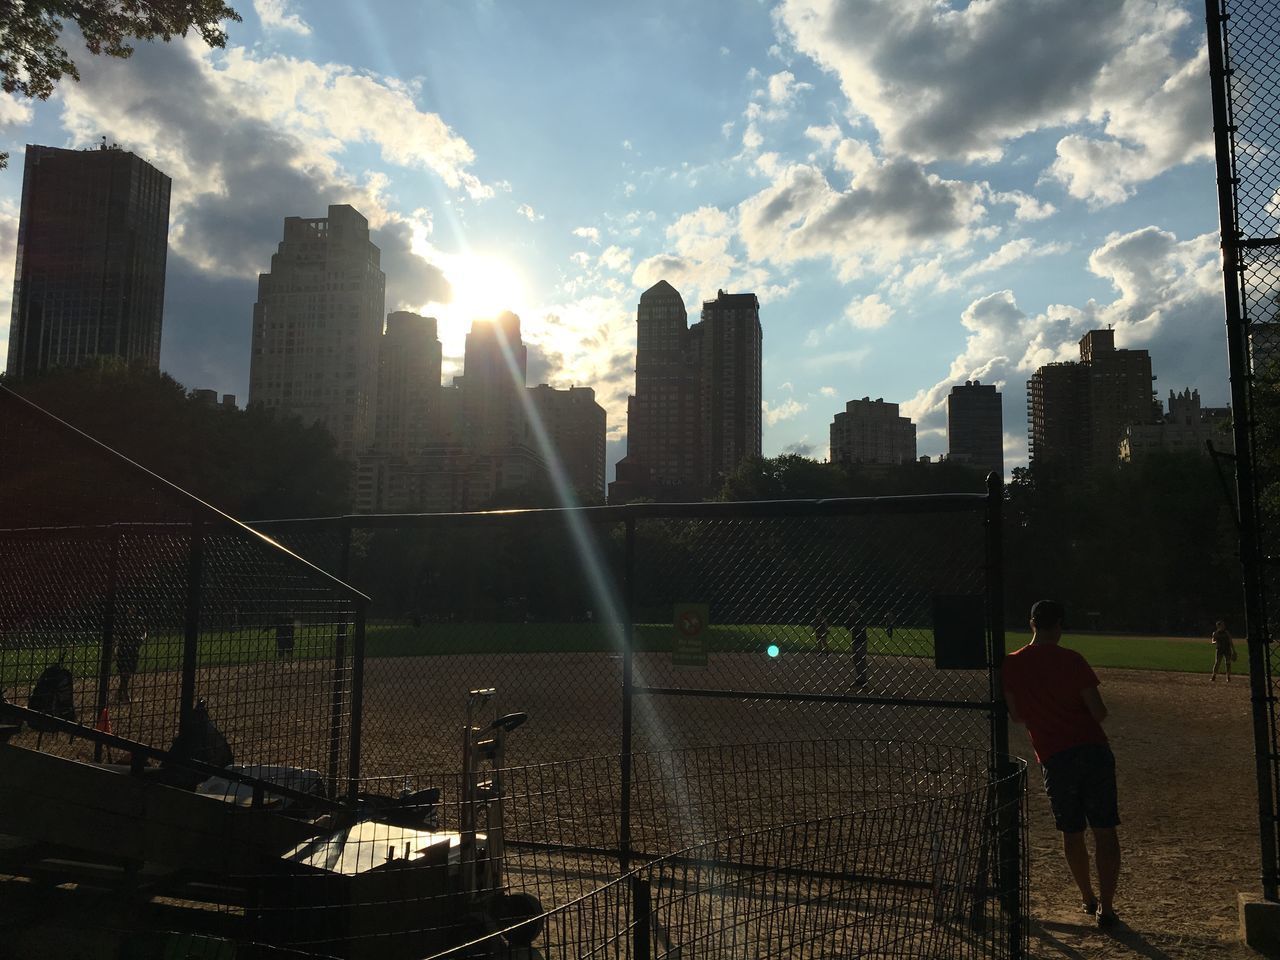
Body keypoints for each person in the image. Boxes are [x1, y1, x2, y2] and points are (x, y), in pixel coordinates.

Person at [1002, 600, 1121, 929]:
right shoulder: (1072, 660)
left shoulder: (1011, 664)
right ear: (1059, 626)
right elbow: (1098, 713)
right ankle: (1107, 909)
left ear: (1032, 624)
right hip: (1092, 750)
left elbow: (1017, 715)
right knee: (1105, 830)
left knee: (1072, 832)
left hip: (1054, 755)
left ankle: (1087, 897)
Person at [114, 603, 146, 704]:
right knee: (124, 672)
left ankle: (120, 692)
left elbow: (144, 632)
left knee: (127, 673)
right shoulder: (123, 621)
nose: (132, 610)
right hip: (124, 648)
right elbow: (117, 635)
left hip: (133, 648)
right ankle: (125, 694)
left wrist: (142, 638)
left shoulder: (139, 620)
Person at [846, 601, 868, 687]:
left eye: (850, 607)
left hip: (861, 640)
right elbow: (847, 627)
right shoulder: (852, 616)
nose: (849, 609)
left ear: (853, 608)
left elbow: (863, 626)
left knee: (861, 660)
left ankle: (863, 680)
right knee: (856, 660)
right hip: (855, 640)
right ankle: (859, 679)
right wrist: (850, 621)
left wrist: (854, 627)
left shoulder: (860, 615)